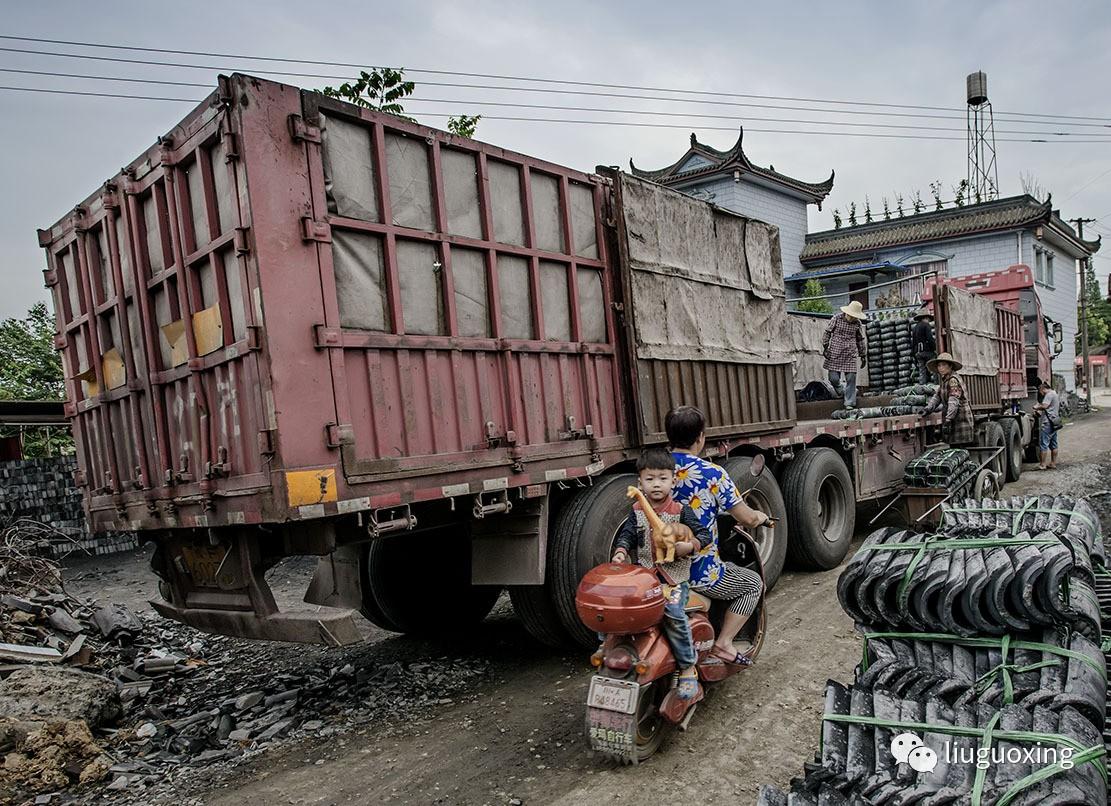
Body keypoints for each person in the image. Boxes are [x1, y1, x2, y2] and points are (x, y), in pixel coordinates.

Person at [664, 406, 770, 666]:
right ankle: (724, 643)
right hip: (698, 573)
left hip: (660, 569)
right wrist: (761, 517)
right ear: (701, 437)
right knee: (752, 583)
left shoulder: (655, 472)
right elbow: (745, 517)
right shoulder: (712, 474)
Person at [611, 447, 712, 700]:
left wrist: (688, 546)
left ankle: (688, 667)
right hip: (645, 579)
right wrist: (621, 551)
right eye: (650, 479)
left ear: (673, 480)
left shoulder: (681, 510)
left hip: (675, 581)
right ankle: (611, 651)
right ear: (640, 482)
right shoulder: (636, 511)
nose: (656, 484)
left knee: (674, 614)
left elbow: (704, 534)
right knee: (618, 609)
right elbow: (627, 535)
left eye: (663, 478)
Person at [920, 352, 975, 445]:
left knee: (960, 450)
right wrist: (928, 409)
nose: (941, 368)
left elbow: (953, 402)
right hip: (953, 419)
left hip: (960, 421)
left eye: (944, 365)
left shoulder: (953, 380)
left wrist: (948, 419)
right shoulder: (945, 381)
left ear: (950, 367)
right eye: (939, 365)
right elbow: (937, 397)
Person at [822, 300, 869, 409]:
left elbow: (860, 340)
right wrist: (825, 347)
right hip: (835, 351)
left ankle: (849, 403)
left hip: (850, 353)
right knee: (833, 378)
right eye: (851, 315)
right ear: (847, 312)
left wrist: (863, 355)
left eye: (855, 316)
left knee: (851, 378)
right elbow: (827, 332)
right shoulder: (836, 319)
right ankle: (841, 391)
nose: (852, 318)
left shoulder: (857, 324)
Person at [1032, 379, 1061, 470]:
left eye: (1041, 392)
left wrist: (1036, 407)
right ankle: (1053, 463)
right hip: (1054, 421)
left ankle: (1042, 464)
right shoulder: (1054, 393)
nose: (1041, 394)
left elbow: (1045, 406)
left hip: (1048, 423)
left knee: (1043, 444)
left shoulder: (1049, 394)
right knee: (1054, 444)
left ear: (1043, 389)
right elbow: (1049, 408)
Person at [912, 308, 937, 385]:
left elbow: (913, 342)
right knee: (934, 367)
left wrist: (914, 354)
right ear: (926, 317)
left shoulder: (915, 328)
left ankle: (922, 386)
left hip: (918, 352)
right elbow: (930, 339)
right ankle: (936, 384)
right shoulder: (926, 325)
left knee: (922, 370)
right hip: (927, 351)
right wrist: (935, 348)